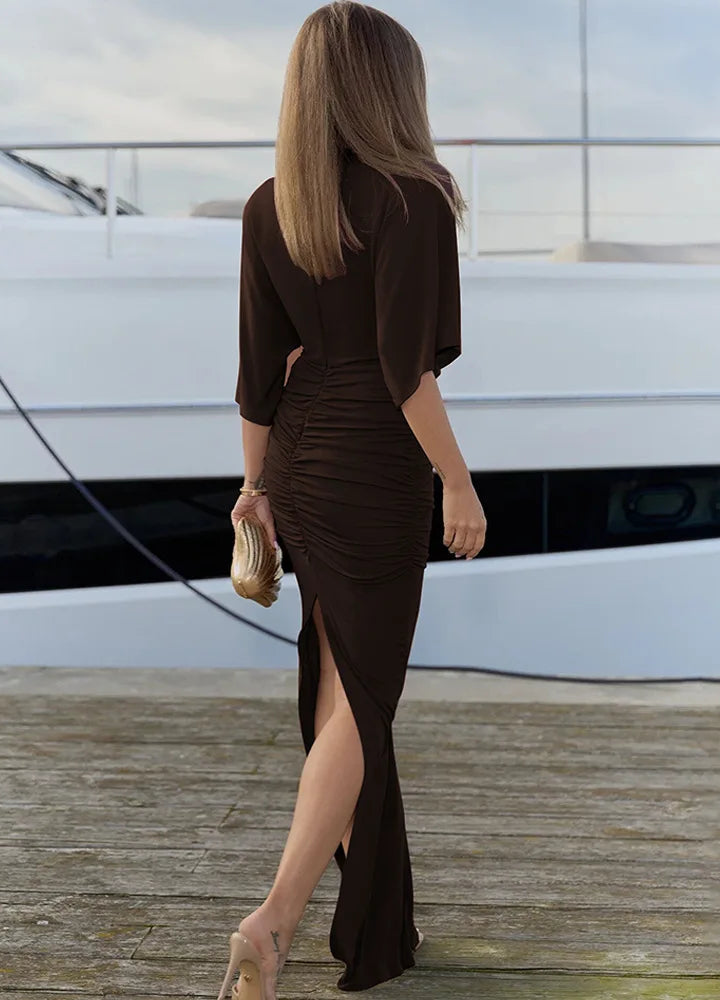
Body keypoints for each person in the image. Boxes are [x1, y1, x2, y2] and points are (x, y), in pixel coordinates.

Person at [218, 2, 486, 997]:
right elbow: (406, 371)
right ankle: (276, 917)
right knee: (361, 708)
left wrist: (255, 488)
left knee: (341, 691)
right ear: (386, 88)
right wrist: (455, 480)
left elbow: (256, 377)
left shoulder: (266, 205)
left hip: (297, 460)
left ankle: (376, 928)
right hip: (376, 472)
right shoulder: (411, 198)